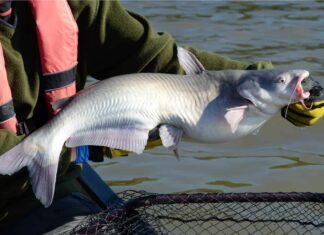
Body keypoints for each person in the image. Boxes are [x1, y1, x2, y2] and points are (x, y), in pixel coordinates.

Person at [0, 0, 323, 234]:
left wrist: (265, 79)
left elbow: (157, 61)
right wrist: (93, 146)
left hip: (44, 189)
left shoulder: (72, 4)